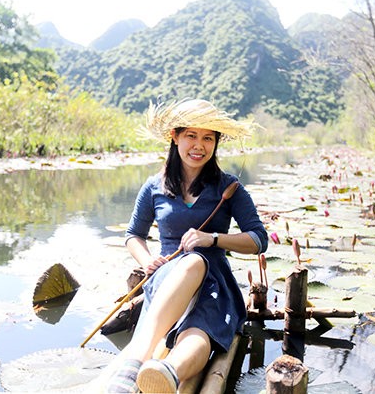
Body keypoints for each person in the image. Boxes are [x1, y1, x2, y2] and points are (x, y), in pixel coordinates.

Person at [105, 98, 268, 393]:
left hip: (214, 281)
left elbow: (259, 240)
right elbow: (133, 235)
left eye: (208, 138)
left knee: (200, 327)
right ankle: (138, 366)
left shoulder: (229, 187)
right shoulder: (154, 186)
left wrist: (212, 239)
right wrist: (146, 261)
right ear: (175, 137)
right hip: (169, 275)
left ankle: (167, 371)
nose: (199, 145)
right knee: (191, 262)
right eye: (191, 135)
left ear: (216, 143)